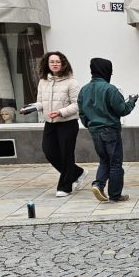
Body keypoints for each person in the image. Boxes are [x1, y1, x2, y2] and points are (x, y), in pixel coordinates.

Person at [78, 58, 137, 203]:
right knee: (116, 163)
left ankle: (98, 184)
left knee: (104, 160)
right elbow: (122, 110)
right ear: (107, 71)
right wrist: (131, 101)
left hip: (94, 132)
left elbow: (82, 113)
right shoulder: (110, 89)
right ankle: (115, 195)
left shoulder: (84, 90)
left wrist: (90, 124)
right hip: (110, 131)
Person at [26, 51, 84, 197]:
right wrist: (31, 108)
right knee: (49, 151)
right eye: (52, 62)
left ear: (63, 63)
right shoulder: (43, 81)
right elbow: (41, 102)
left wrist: (61, 112)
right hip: (50, 123)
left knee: (66, 154)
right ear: (47, 64)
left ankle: (65, 187)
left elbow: (78, 105)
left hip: (67, 123)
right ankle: (77, 172)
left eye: (58, 61)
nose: (55, 64)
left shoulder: (72, 82)